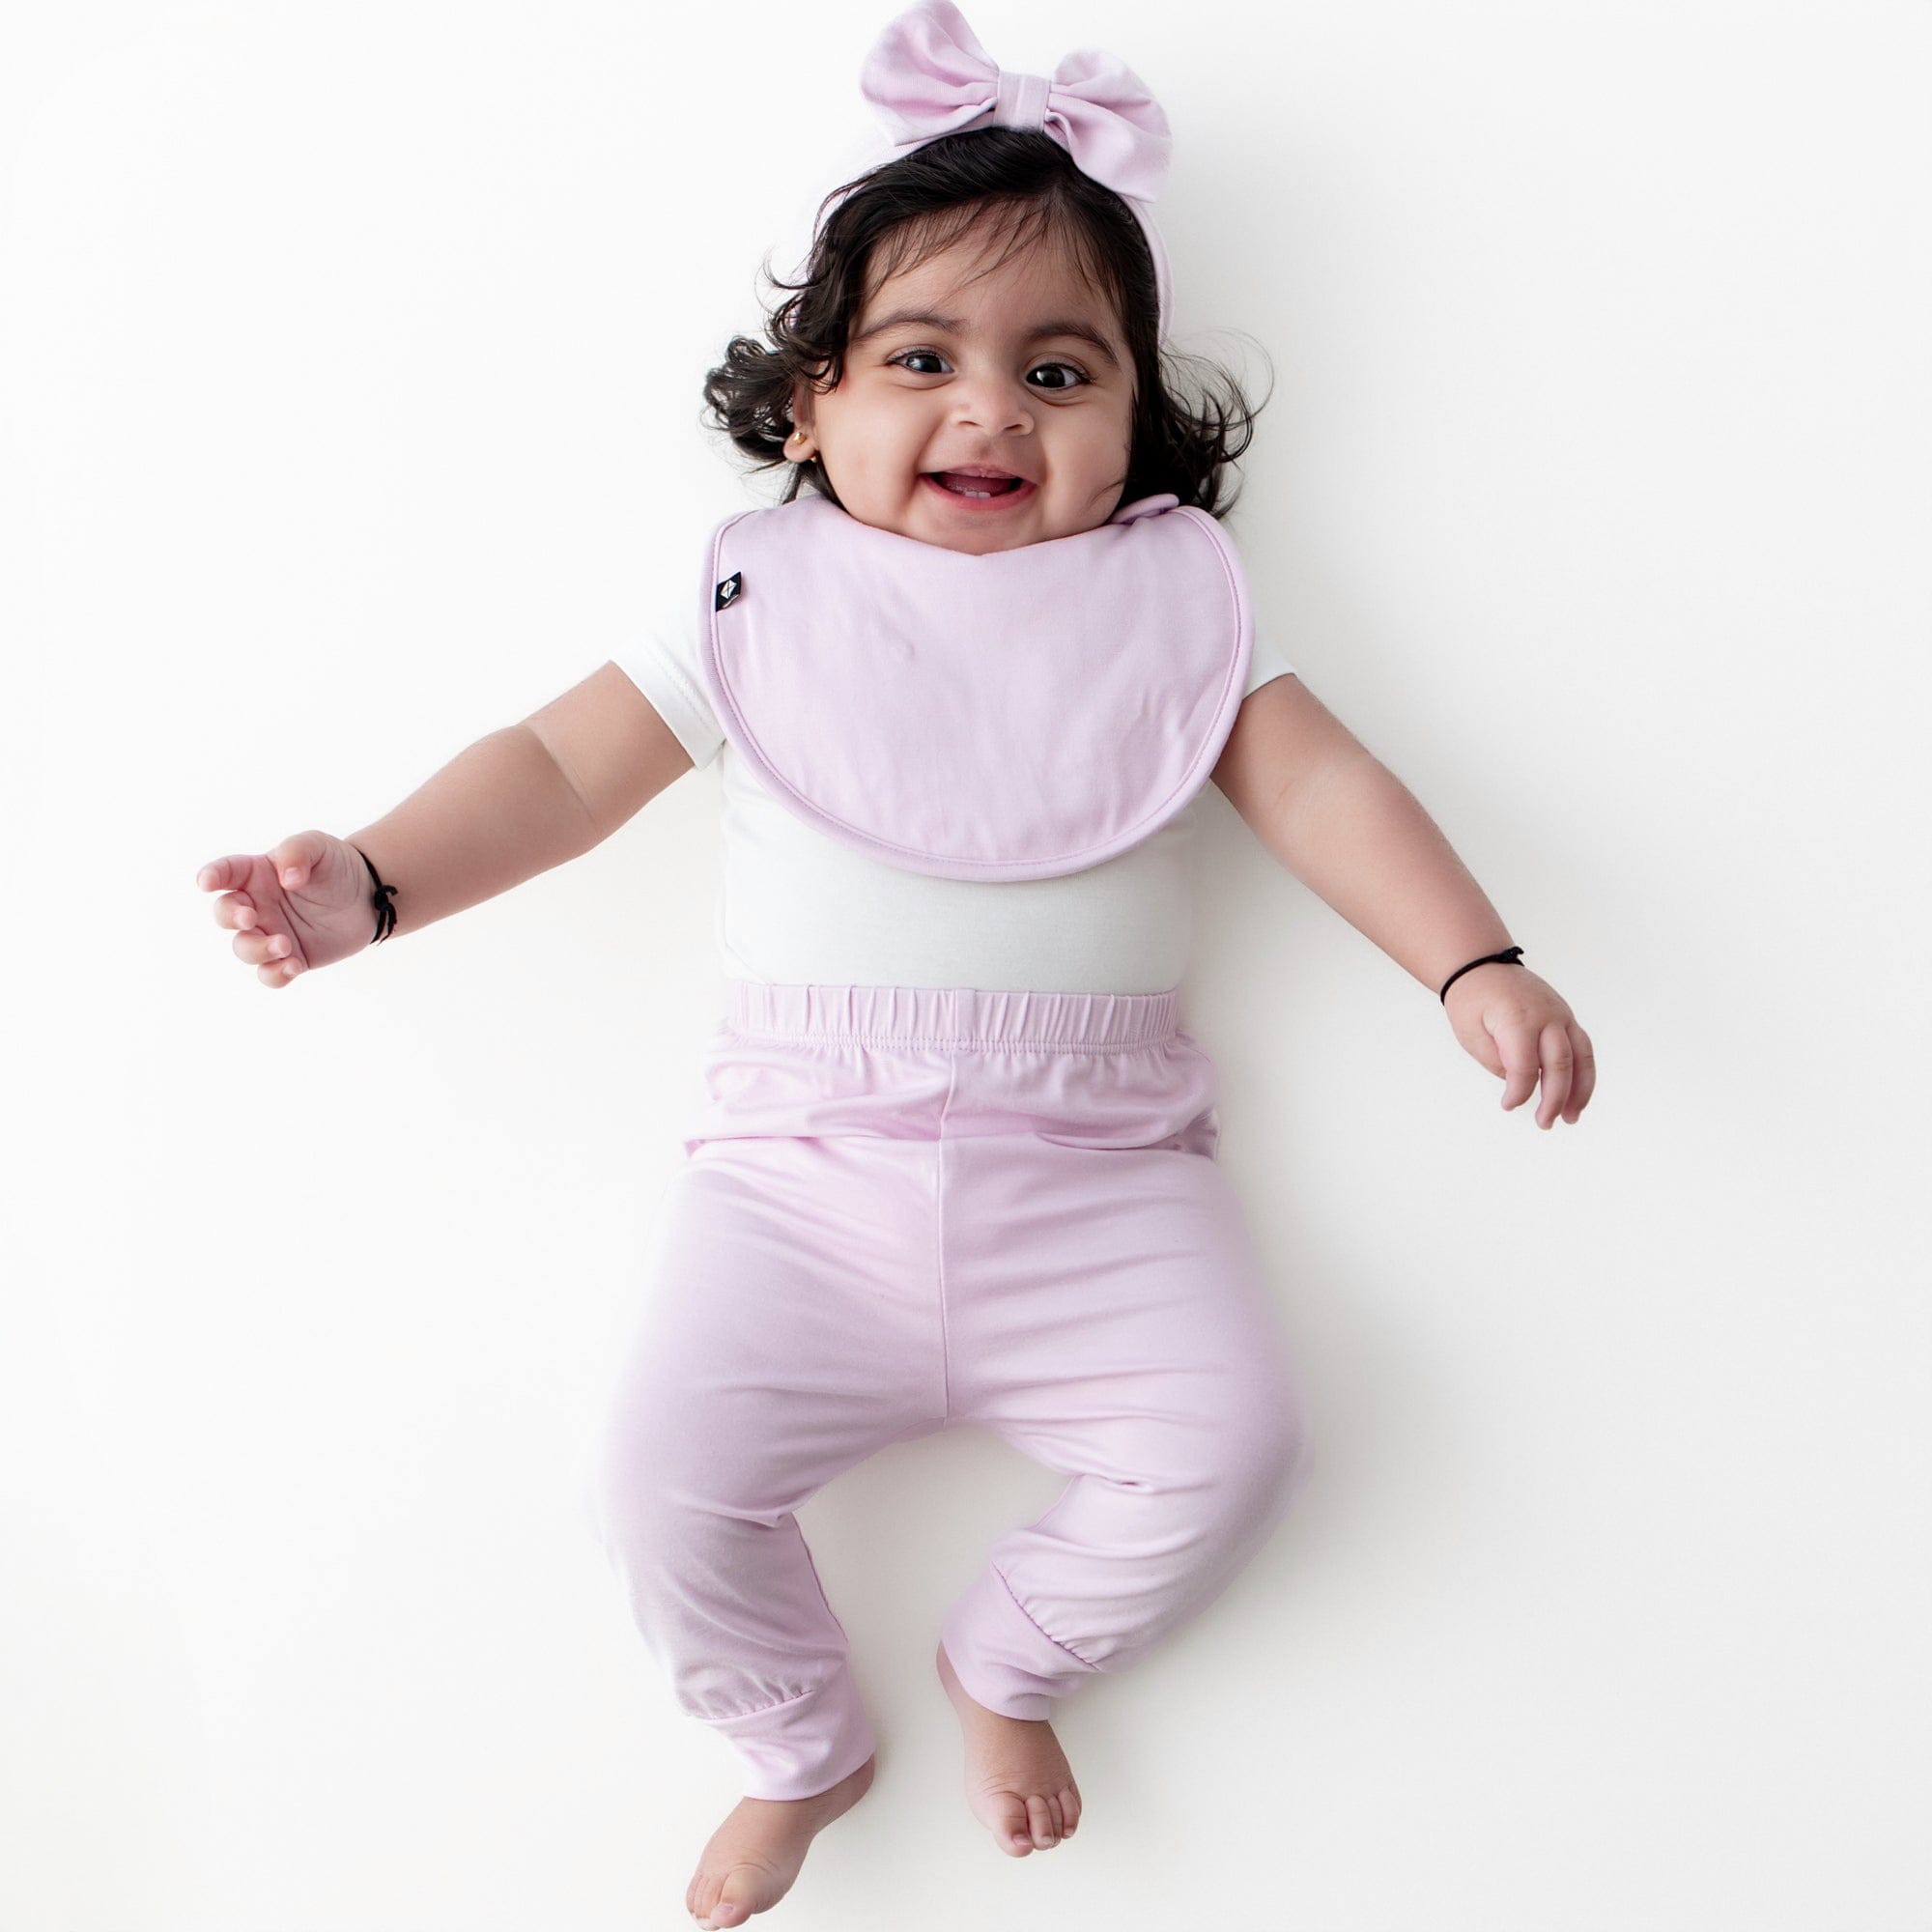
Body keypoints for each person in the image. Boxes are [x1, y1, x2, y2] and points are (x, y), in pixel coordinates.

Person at [193, 4, 1597, 1925]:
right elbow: (557, 771)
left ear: (1136, 420)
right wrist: (373, 880)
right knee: (658, 1484)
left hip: (1104, 1187)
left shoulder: (1172, 608)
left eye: (1058, 369)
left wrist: (1469, 959)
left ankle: (1009, 1659)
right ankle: (799, 1743)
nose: (991, 409)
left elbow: (1322, 786)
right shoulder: (762, 599)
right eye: (921, 358)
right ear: (810, 406)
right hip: (800, 1185)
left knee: (1236, 1444)